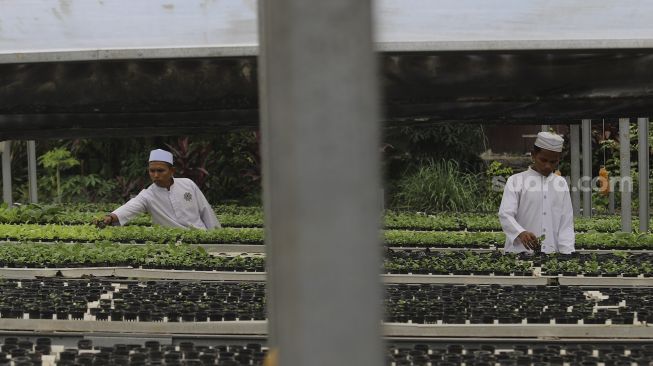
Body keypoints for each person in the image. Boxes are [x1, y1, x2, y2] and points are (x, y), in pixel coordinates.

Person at [96, 149, 221, 229]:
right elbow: (129, 208)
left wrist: (217, 236)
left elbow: (205, 210)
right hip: (173, 243)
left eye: (160, 170)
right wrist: (110, 217)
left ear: (172, 171)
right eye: (152, 171)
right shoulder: (147, 195)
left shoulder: (188, 184)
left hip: (201, 237)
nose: (155, 175)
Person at [498, 132, 574, 254]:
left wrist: (568, 254)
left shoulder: (561, 183)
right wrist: (520, 232)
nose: (548, 166)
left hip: (551, 256)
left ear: (558, 159)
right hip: (519, 253)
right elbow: (505, 214)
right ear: (533, 155)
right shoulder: (516, 180)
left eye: (553, 162)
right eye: (543, 160)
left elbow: (566, 224)